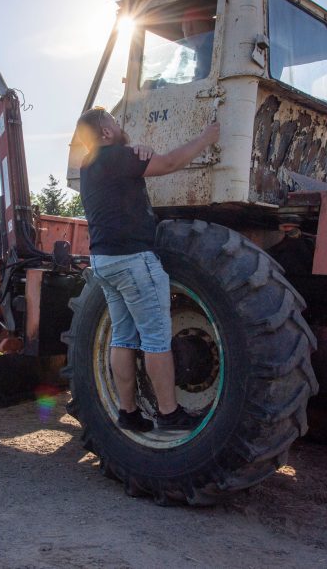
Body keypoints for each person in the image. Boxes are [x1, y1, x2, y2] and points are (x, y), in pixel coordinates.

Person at [75, 107, 220, 432]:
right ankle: (169, 414)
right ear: (106, 132)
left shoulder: (88, 165)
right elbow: (168, 164)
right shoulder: (116, 156)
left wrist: (139, 150)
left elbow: (135, 162)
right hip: (133, 260)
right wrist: (205, 138)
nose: (118, 122)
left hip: (103, 262)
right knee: (155, 339)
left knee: (123, 338)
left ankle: (128, 413)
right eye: (113, 121)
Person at [180, 6, 215, 81]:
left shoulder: (208, 46)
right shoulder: (203, 48)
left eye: (183, 29)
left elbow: (201, 79)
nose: (185, 32)